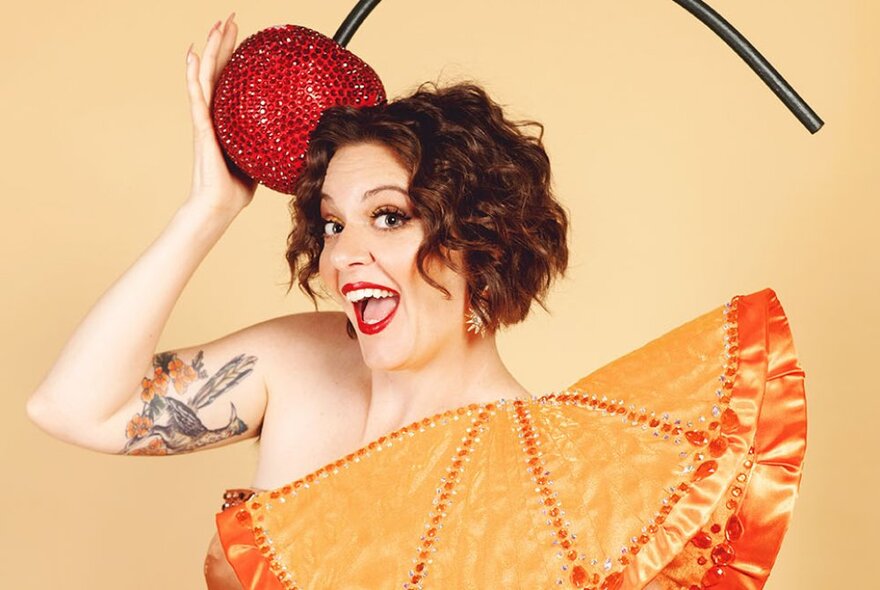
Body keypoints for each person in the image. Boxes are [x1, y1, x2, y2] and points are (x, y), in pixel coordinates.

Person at [27, 15, 806, 590]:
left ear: (482, 244)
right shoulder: (301, 361)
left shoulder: (539, 475)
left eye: (389, 217)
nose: (345, 254)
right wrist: (207, 213)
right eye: (331, 222)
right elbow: (74, 408)